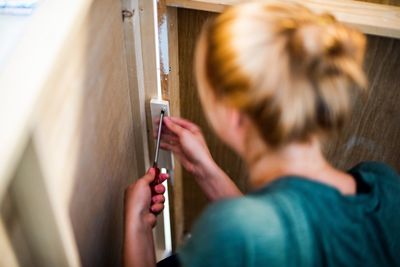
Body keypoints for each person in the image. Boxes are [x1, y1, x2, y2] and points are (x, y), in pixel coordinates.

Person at [123, 2, 400, 267]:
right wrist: (204, 170)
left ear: (232, 114)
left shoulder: (230, 236)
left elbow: (254, 239)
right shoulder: (383, 183)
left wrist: (136, 226)